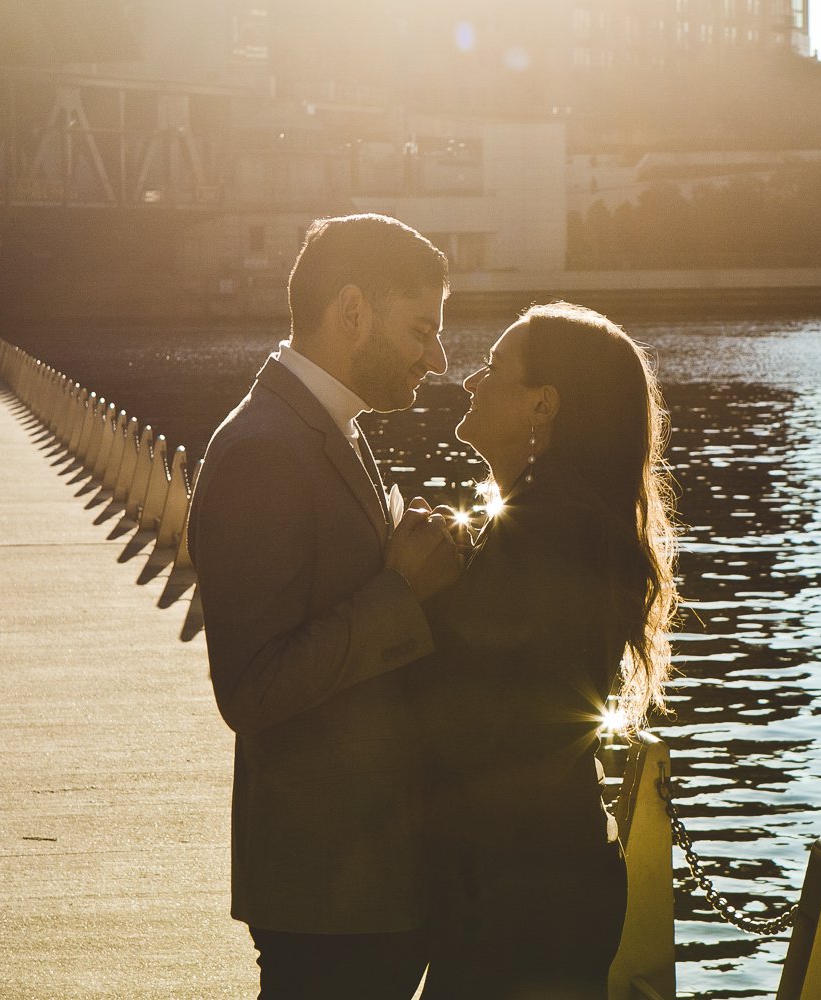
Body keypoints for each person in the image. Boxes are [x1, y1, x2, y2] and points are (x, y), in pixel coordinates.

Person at [186, 213, 462, 1000]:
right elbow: (251, 689)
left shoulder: (328, 428)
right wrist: (401, 591)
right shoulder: (263, 450)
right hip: (326, 897)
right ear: (352, 311)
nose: (436, 359)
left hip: (361, 885)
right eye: (421, 331)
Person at [409, 302, 680, 1000]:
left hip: (524, 899)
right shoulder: (552, 519)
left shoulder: (552, 533)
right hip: (530, 879)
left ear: (542, 404)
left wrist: (413, 593)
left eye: (494, 367)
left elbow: (485, 714)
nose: (472, 381)